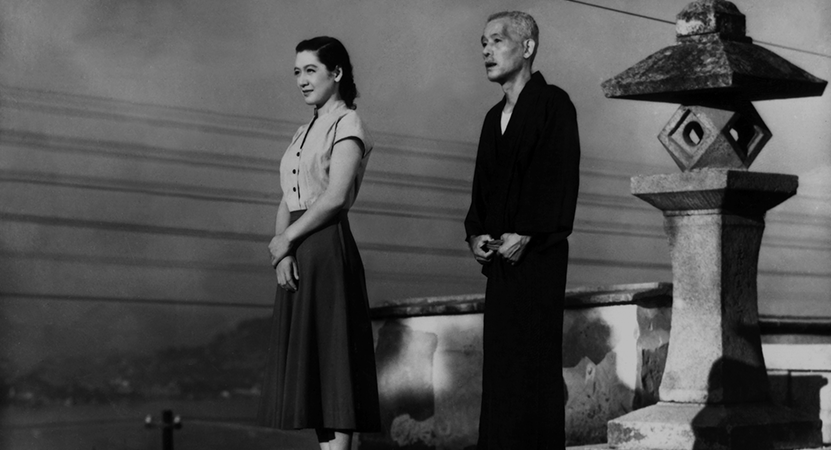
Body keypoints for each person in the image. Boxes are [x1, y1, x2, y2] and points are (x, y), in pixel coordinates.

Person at [464, 11, 580, 449]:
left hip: (538, 263)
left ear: (527, 47)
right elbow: (480, 195)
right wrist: (476, 234)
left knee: (532, 372)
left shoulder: (554, 104)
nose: (486, 51)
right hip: (500, 266)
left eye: (496, 41)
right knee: (501, 374)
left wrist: (527, 234)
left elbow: (560, 180)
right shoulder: (493, 117)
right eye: (483, 43)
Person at [258, 36, 380, 450]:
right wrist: (282, 252)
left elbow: (335, 197)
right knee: (312, 369)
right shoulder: (301, 131)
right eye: (297, 72)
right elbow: (287, 197)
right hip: (297, 248)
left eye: (310, 70)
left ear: (337, 73)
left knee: (334, 365)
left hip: (326, 246)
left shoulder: (349, 123)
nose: (302, 81)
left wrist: (288, 239)